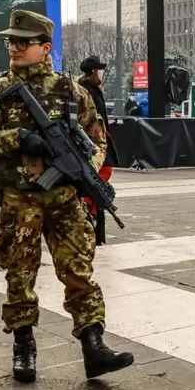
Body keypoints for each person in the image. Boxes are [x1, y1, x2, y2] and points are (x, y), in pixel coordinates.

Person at [0, 10, 134, 382]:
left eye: (22, 42)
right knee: (19, 274)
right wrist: (16, 138)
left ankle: (93, 344)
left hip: (63, 197)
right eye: (11, 41)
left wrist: (82, 169)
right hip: (19, 199)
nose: (14, 47)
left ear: (44, 48)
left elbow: (98, 139)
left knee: (79, 271)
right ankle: (23, 346)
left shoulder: (73, 91)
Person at [79, 55, 120, 246]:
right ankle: (92, 221)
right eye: (100, 70)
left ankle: (93, 223)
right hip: (95, 146)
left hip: (95, 144)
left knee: (97, 184)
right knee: (97, 183)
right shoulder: (90, 92)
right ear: (94, 72)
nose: (102, 73)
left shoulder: (87, 90)